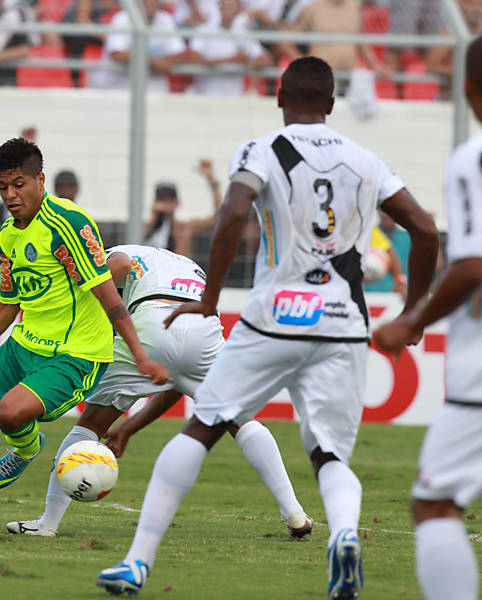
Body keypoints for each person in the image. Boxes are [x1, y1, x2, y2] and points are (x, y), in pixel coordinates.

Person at [94, 57, 439, 598]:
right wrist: (414, 314)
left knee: (203, 427)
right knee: (330, 455)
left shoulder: (264, 150)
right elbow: (424, 228)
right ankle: (343, 535)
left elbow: (233, 214)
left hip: (277, 313)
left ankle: (137, 562)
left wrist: (209, 301)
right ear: (331, 103)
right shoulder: (366, 160)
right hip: (343, 321)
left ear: (280, 97)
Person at [0, 137, 167, 534]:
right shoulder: (9, 234)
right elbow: (8, 303)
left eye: (19, 184)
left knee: (12, 413)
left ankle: (27, 447)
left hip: (76, 354)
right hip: (24, 345)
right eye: (3, 187)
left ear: (40, 179)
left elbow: (108, 296)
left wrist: (139, 355)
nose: (11, 195)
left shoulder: (69, 224)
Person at [6, 244, 312, 539]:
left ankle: (47, 523)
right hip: (203, 329)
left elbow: (117, 269)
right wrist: (127, 429)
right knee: (240, 420)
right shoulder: (177, 262)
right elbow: (175, 382)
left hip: (153, 318)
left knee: (90, 426)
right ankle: (294, 513)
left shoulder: (103, 254)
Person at [373, 35, 482, 600]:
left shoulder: (473, 159)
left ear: (467, 90)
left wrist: (411, 320)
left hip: (479, 372)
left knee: (435, 503)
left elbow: (470, 267)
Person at [91, 0, 193, 92]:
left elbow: (181, 53)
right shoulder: (122, 18)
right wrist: (154, 62)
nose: (150, 6)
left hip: (152, 92)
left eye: (154, 3)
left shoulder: (165, 19)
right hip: (116, 90)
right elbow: (117, 54)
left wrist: (160, 61)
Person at [188, 0, 272, 96]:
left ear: (238, 12)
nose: (228, 12)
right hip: (205, 95)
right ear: (219, 9)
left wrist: (249, 61)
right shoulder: (203, 30)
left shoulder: (243, 33)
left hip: (234, 98)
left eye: (232, 9)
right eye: (225, 8)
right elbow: (193, 59)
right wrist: (233, 60)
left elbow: (266, 60)